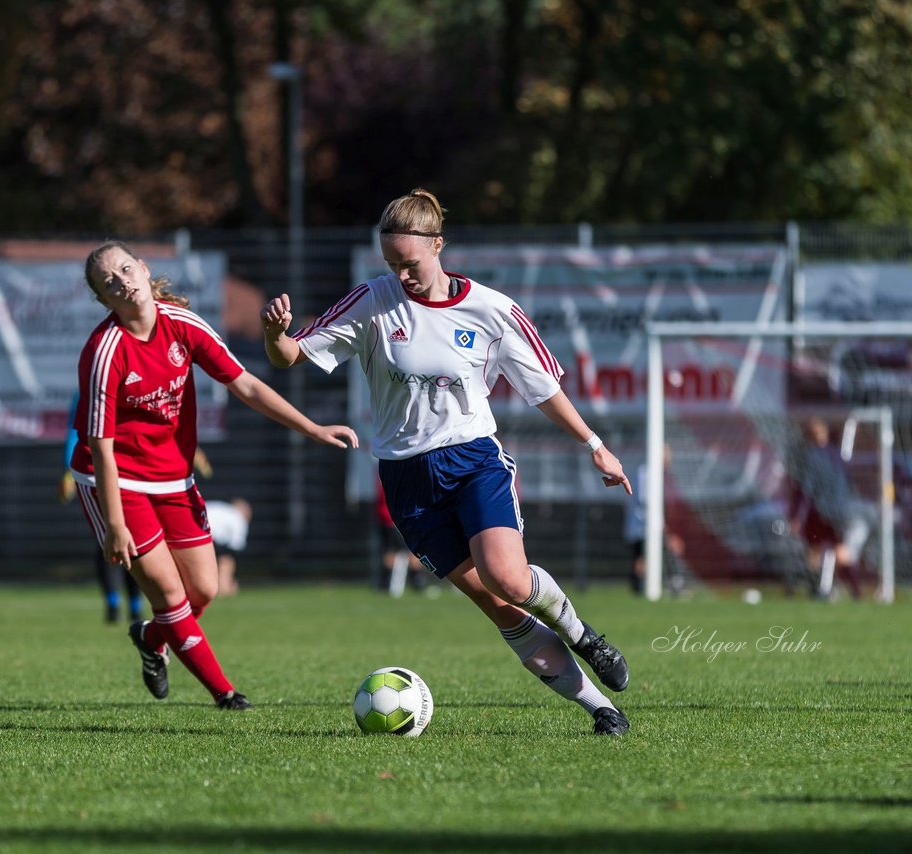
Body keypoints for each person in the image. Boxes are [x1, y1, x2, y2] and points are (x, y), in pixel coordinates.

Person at [261, 188, 634, 736]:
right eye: (391, 264)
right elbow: (292, 355)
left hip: (472, 460)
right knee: (497, 605)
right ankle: (600, 708)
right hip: (406, 479)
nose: (401, 276)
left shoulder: (491, 310)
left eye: (409, 264)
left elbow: (543, 388)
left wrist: (593, 444)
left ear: (438, 245)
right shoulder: (372, 300)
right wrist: (275, 335)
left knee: (506, 575)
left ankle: (584, 635)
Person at [71, 240, 357, 711]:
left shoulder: (181, 325)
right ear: (104, 300)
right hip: (116, 482)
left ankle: (151, 636)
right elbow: (100, 445)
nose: (123, 281)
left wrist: (311, 427)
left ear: (143, 269)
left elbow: (244, 383)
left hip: (174, 478)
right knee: (167, 592)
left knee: (204, 588)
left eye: (126, 269)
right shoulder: (104, 352)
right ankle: (225, 694)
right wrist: (115, 522)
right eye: (110, 283)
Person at [60, 390, 144, 624]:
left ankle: (133, 605)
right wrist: (69, 470)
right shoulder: (87, 390)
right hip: (101, 475)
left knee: (136, 541)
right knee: (109, 539)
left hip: (133, 473)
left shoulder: (138, 385)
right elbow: (74, 433)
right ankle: (114, 603)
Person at [787, 417, 867, 599]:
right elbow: (849, 484)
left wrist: (797, 517)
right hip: (841, 510)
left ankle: (814, 590)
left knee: (814, 551)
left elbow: (805, 489)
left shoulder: (809, 457)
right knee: (840, 549)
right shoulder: (839, 455)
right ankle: (856, 591)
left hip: (819, 511)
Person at [623, 445, 685, 597]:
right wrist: (661, 527)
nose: (669, 460)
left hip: (644, 526)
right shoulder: (646, 474)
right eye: (667, 456)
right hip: (642, 527)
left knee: (643, 559)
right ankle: (673, 584)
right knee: (665, 550)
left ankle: (642, 588)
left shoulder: (652, 473)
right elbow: (646, 502)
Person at [203, 498, 250, 597]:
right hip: (208, 532)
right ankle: (224, 588)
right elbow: (236, 546)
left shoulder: (223, 508)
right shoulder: (238, 518)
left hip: (196, 526)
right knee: (227, 560)